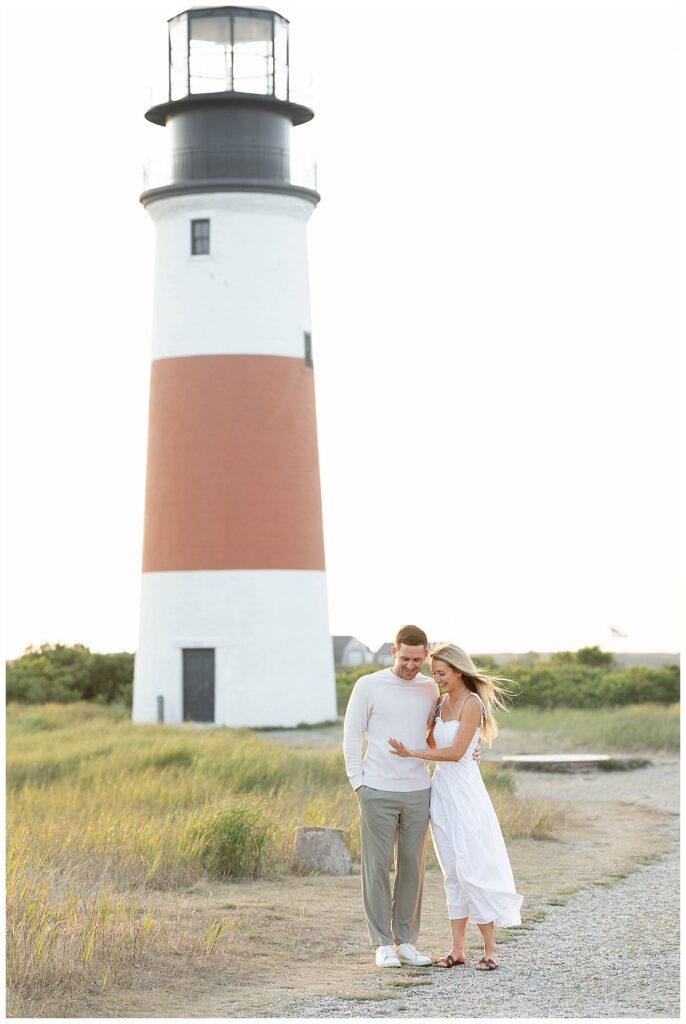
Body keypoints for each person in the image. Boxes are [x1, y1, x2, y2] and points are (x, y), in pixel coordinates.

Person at [343, 625, 480, 969]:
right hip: (376, 790)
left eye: (418, 659)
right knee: (376, 868)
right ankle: (382, 944)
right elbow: (350, 738)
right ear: (393, 652)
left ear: (426, 655)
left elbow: (444, 731)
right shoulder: (368, 685)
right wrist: (359, 785)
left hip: (419, 791)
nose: (411, 665)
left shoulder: (429, 687)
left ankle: (405, 941)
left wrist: (470, 750)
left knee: (413, 869)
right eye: (405, 658)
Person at [389, 642, 522, 971]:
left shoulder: (471, 702)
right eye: (434, 674)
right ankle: (457, 949)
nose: (437, 679)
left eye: (442, 673)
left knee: (471, 867)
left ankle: (491, 949)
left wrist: (414, 753)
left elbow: (456, 752)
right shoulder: (439, 703)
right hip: (441, 790)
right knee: (451, 871)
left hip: (465, 791)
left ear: (459, 670)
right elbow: (433, 742)